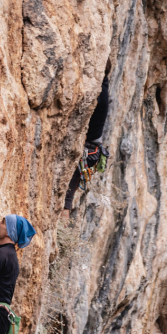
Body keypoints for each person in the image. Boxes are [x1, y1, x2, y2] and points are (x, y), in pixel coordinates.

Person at [64, 62, 111, 217]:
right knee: (68, 191)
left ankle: (62, 222)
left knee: (68, 195)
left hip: (89, 149)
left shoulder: (100, 94)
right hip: (92, 147)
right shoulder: (103, 89)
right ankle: (62, 222)